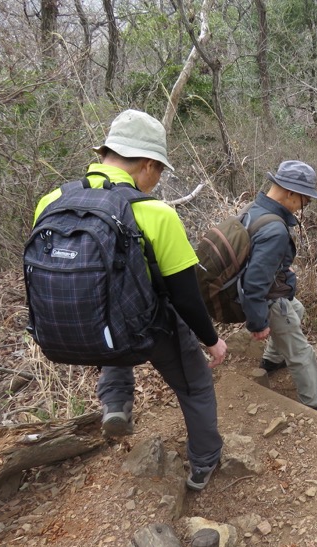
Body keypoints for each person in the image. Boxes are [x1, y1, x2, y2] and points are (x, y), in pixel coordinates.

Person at [33, 109, 228, 491]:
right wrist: (212, 340)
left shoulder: (51, 200)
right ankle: (204, 464)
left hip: (78, 330)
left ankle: (116, 403)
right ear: (149, 164)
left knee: (113, 327)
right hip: (146, 330)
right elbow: (186, 298)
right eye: (160, 172)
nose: (157, 181)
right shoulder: (154, 213)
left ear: (105, 153)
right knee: (196, 384)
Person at [240, 160, 317, 417]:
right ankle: (315, 403)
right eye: (304, 199)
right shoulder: (275, 228)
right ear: (289, 193)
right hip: (272, 300)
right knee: (302, 353)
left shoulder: (253, 209)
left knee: (297, 309)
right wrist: (258, 322)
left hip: (271, 292)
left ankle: (272, 360)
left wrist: (282, 269)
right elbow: (255, 281)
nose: (304, 205)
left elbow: (253, 259)